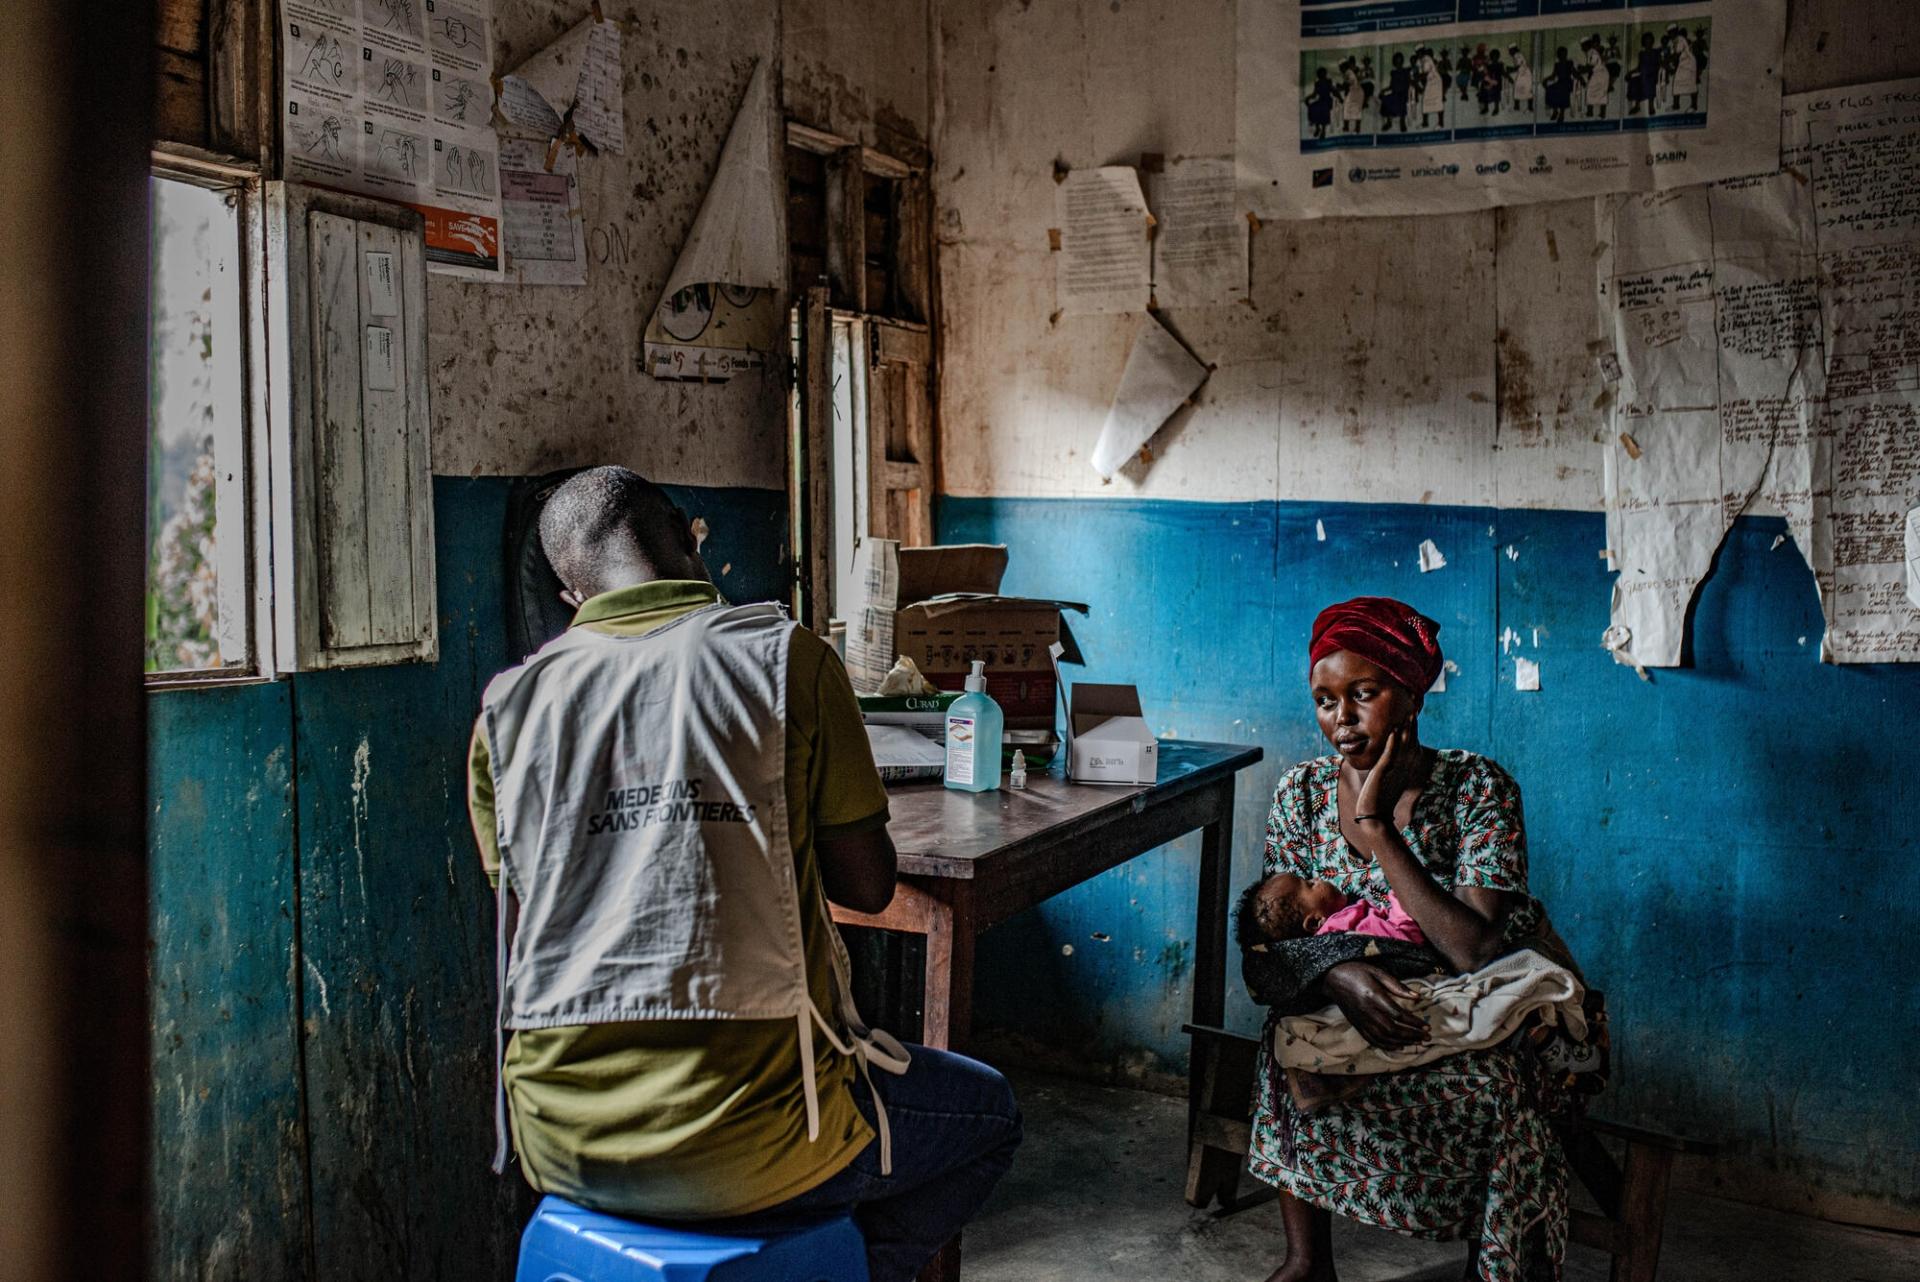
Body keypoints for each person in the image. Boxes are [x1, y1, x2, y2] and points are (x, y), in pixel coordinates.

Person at [469, 466, 1021, 1282]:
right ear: (688, 534)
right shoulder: (785, 661)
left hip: (561, 1140)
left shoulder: (508, 712)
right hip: (763, 1140)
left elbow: (528, 932)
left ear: (568, 593)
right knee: (989, 1115)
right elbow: (867, 888)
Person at [1247, 597, 1573, 1282]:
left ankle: (1501, 1260)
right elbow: (1270, 945)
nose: (1342, 718)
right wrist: (1338, 974)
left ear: (1412, 697)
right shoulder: (1300, 792)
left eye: (1363, 694)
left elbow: (1474, 952)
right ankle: (1307, 1262)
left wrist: (1378, 826)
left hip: (1481, 1004)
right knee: (1287, 1042)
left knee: (1495, 1082)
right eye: (1325, 701)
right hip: (1365, 1003)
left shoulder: (1477, 788)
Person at [1304, 65, 1335, 140]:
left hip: (1327, 100)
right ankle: (1317, 128)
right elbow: (1315, 94)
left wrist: (1339, 97)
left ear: (1325, 74)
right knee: (1313, 108)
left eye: (1323, 73)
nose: (1321, 75)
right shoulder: (1317, 83)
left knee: (1323, 110)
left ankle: (1323, 131)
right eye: (1320, 74)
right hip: (1321, 100)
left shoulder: (1328, 81)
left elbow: (1333, 90)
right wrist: (1307, 98)